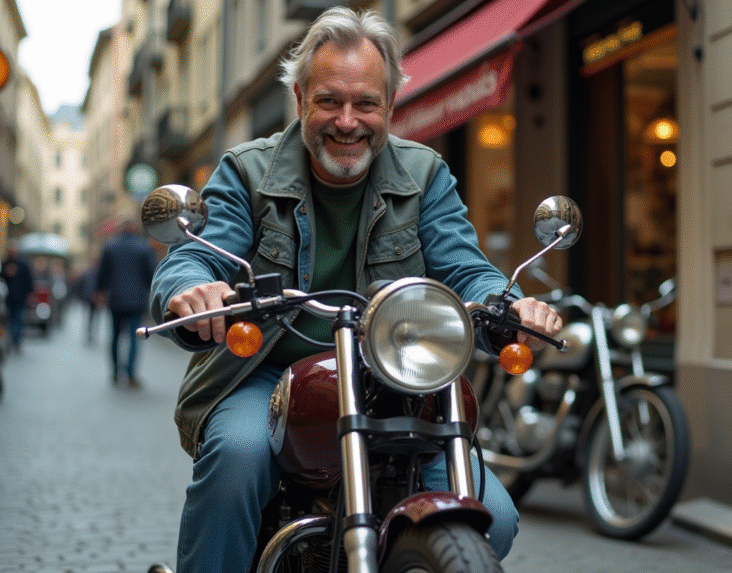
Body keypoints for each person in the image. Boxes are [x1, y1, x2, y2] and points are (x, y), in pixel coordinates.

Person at [149, 7, 563, 572]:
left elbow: (467, 270)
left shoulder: (425, 176)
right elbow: (197, 252)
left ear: (389, 106)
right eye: (329, 101)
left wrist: (509, 307)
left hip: (393, 376)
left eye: (366, 103)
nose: (348, 120)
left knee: (496, 515)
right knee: (238, 456)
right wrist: (193, 287)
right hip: (266, 372)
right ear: (300, 101)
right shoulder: (247, 171)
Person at [96, 218, 157, 387]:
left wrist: (100, 291)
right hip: (137, 300)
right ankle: (130, 374)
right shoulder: (144, 248)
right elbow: (152, 275)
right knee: (134, 338)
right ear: (135, 229)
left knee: (115, 336)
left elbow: (102, 274)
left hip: (115, 299)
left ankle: (115, 372)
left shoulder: (110, 246)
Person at [1, 239, 33, 353]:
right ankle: (10, 340)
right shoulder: (5, 264)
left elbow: (28, 281)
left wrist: (29, 295)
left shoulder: (23, 265)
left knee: (18, 320)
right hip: (8, 299)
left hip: (20, 298)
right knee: (9, 321)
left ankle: (16, 340)